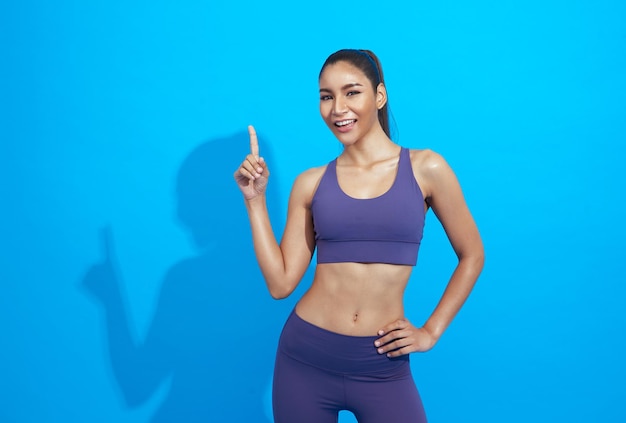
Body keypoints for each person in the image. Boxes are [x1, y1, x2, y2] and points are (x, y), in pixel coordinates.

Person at [234, 49, 484, 423]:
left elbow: (472, 254)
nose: (337, 108)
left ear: (379, 96)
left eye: (351, 92)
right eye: (326, 96)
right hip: (305, 358)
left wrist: (431, 331)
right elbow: (280, 283)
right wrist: (255, 201)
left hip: (382, 365)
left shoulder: (426, 168)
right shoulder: (311, 183)